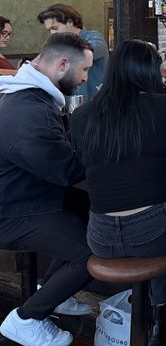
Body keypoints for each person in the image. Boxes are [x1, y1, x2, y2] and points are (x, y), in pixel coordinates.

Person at [70, 40, 166, 337]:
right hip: (154, 233)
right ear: (149, 71)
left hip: (100, 237)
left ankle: (159, 316)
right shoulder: (164, 106)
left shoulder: (82, 115)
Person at [0, 33, 95, 346]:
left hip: (26, 193)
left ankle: (55, 292)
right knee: (94, 250)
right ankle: (26, 319)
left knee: (92, 211)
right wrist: (106, 150)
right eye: (83, 71)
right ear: (62, 64)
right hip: (13, 210)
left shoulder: (32, 95)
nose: (85, 78)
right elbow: (66, 170)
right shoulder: (31, 112)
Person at [38, 3, 109, 102]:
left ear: (70, 22)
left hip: (96, 105)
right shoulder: (59, 46)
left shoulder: (94, 37)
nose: (52, 33)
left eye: (55, 28)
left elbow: (87, 51)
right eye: (50, 30)